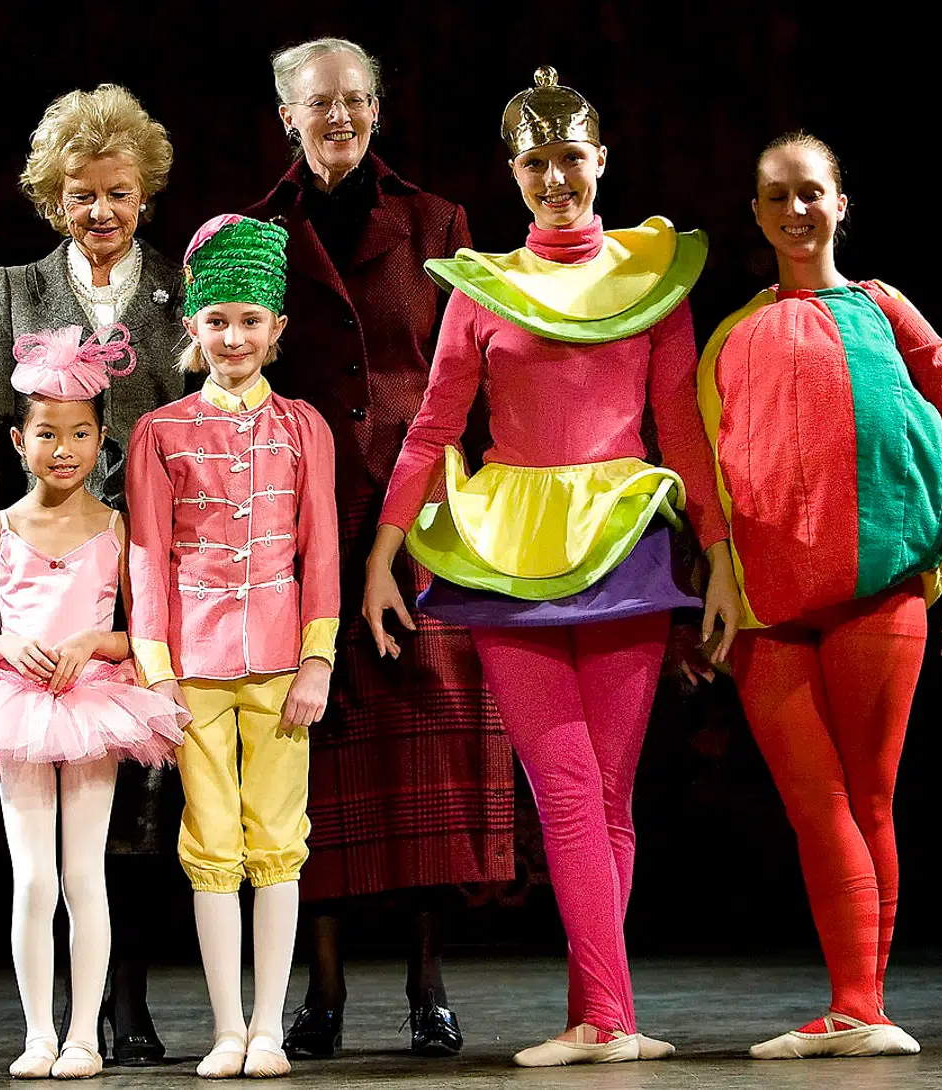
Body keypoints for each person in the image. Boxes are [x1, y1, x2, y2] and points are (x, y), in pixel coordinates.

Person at [364, 67, 741, 1067]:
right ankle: (610, 1021)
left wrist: (720, 562)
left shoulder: (649, 283)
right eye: (536, 160)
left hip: (623, 541)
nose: (555, 175)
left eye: (572, 155)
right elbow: (432, 426)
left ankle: (597, 1014)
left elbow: (684, 435)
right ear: (514, 171)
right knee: (567, 790)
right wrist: (381, 559)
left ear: (601, 159)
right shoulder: (484, 289)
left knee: (608, 802)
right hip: (507, 548)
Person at [695, 130, 942, 1058]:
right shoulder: (732, 336)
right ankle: (858, 1010)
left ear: (841, 203)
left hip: (881, 596)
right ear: (755, 213)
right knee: (815, 804)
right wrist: (707, 585)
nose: (796, 211)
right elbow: (704, 475)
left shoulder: (886, 308)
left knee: (868, 800)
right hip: (767, 610)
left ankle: (859, 1006)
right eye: (777, 196)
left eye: (812, 193)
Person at [246, 36, 511, 1057]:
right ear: (288, 116)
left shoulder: (439, 221)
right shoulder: (261, 229)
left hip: (421, 518)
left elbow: (467, 376)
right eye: (320, 104)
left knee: (432, 754)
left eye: (356, 100)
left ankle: (427, 983)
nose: (340, 118)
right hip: (302, 514)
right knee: (314, 756)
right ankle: (321, 990)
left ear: (377, 109)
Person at [0, 83, 186, 1065]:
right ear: (55, 197)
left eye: (118, 193)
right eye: (82, 194)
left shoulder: (177, 288)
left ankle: (125, 999)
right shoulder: (14, 289)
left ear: (143, 192)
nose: (101, 212)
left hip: (150, 565)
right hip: (45, 562)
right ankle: (60, 1022)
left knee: (144, 799)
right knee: (52, 828)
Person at [0, 325, 189, 1079]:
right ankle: (38, 1033)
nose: (63, 449)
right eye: (47, 434)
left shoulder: (117, 528)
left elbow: (138, 632)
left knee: (85, 873)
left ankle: (85, 1031)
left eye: (80, 434)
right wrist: (11, 647)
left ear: (101, 440)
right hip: (18, 703)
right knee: (33, 878)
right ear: (19, 441)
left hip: (91, 705)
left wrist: (90, 646)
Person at [127, 215, 339, 1079]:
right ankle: (225, 1029)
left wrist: (319, 658)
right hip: (194, 671)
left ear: (277, 330)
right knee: (209, 840)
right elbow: (146, 562)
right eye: (217, 320)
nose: (234, 336)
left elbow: (320, 548)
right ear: (192, 327)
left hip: (285, 662)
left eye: (251, 320)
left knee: (278, 838)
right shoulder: (160, 433)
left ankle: (268, 1028)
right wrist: (157, 677)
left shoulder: (305, 427)